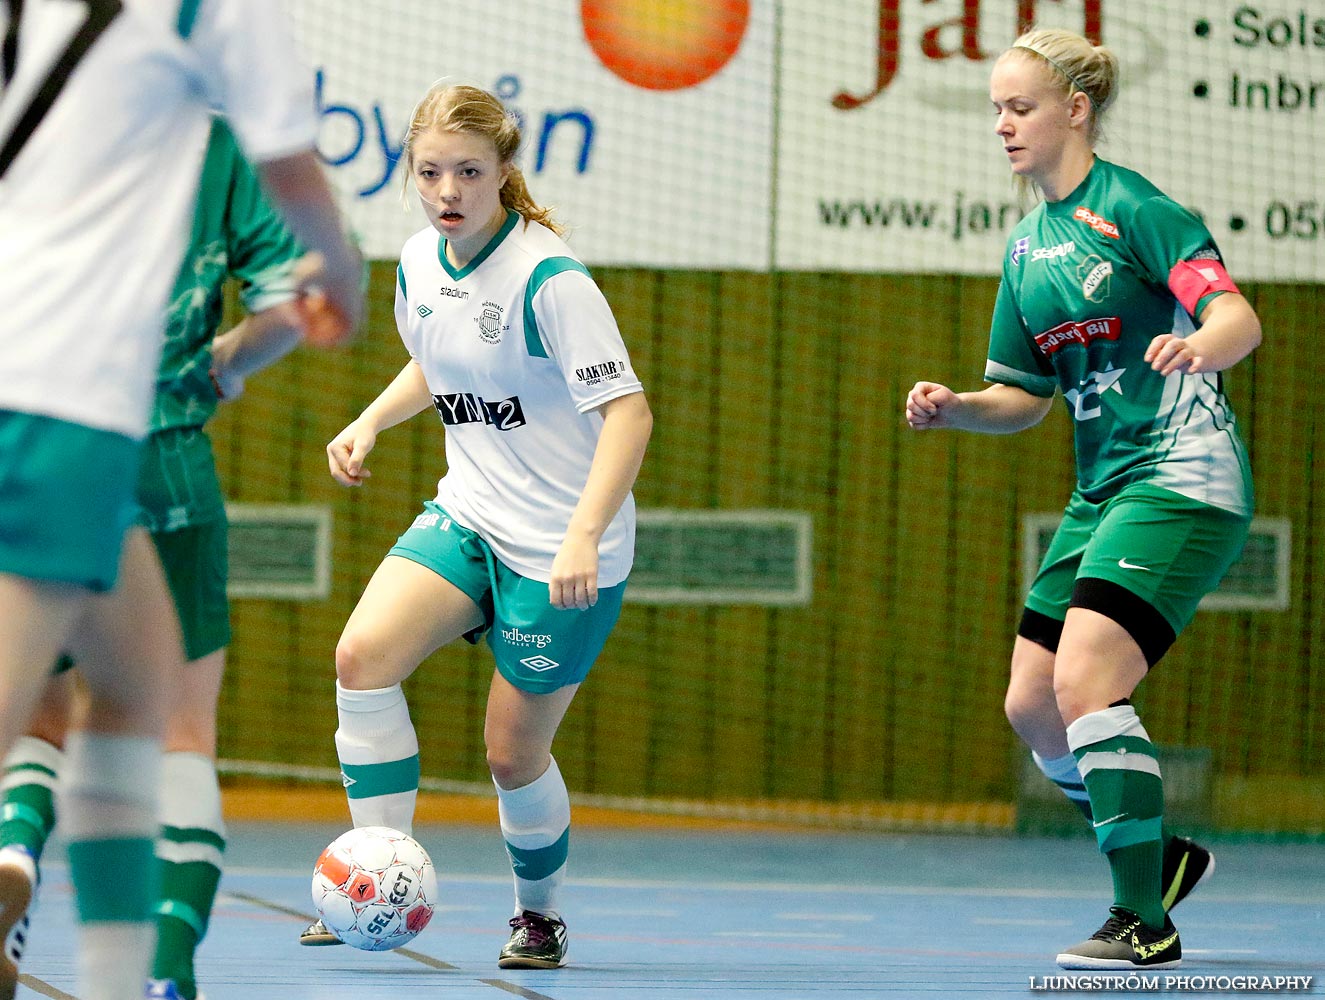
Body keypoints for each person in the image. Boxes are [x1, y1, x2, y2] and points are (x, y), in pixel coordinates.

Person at [0, 3, 362, 999]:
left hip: (72, 422)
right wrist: (340, 273)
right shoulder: (208, 16)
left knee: (130, 676)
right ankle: (152, 965)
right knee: (113, 715)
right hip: (58, 407)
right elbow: (292, 173)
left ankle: (116, 976)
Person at [905, 27, 1260, 971]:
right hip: (1099, 491)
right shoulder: (1026, 248)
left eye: (1019, 108)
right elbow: (1023, 398)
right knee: (1032, 704)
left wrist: (1198, 343)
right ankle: (1159, 857)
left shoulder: (1133, 209)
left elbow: (1236, 316)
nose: (1002, 127)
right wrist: (957, 409)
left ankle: (1142, 919)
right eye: (994, 110)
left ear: (1075, 110)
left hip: (1179, 476)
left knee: (1086, 682)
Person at [304, 82, 652, 970]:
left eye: (468, 171)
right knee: (360, 659)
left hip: (561, 549)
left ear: (503, 171)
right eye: (430, 172)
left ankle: (539, 917)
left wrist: (582, 534)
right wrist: (372, 418)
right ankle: (376, 875)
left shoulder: (549, 279)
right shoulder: (420, 260)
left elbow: (628, 415)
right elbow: (437, 357)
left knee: (510, 755)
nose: (448, 190)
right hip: (469, 514)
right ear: (411, 174)